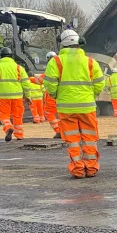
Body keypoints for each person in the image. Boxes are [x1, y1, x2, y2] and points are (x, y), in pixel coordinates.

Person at [44, 30, 105, 178]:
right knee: (90, 138)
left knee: (72, 140)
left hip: (66, 108)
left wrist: (57, 95)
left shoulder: (56, 62)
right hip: (87, 106)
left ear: (62, 43)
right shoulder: (90, 62)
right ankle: (91, 168)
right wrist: (91, 95)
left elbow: (50, 84)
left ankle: (78, 169)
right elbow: (100, 83)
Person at [0, 47, 28, 142]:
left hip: (3, 96)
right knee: (17, 116)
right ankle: (19, 135)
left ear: (0, 56)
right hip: (17, 96)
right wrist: (28, 96)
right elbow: (26, 83)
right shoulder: (19, 68)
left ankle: (8, 127)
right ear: (11, 56)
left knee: (4, 114)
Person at [42, 52, 60, 138]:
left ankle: (59, 131)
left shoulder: (51, 67)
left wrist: (29, 78)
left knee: (48, 112)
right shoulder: (61, 66)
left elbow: (44, 79)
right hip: (62, 94)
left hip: (52, 94)